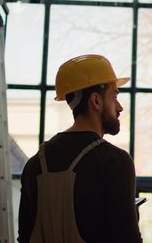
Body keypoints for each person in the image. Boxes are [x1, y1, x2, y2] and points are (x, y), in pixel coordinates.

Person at [18, 54, 143, 243]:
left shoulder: (34, 165)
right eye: (114, 96)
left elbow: (24, 238)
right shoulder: (115, 162)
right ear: (96, 101)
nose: (119, 107)